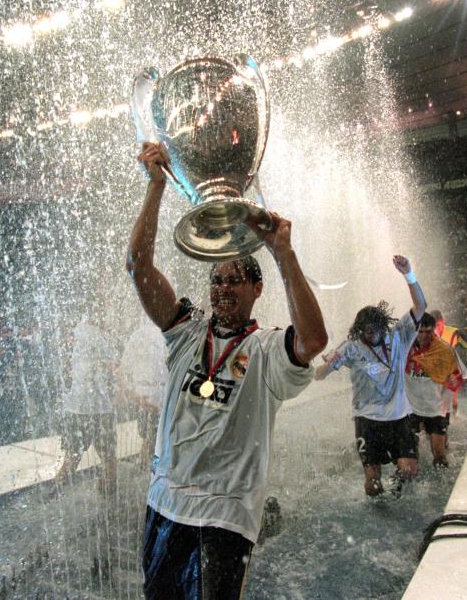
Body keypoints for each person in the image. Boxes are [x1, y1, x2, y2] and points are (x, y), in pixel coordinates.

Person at [127, 142, 328, 599]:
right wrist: (156, 188)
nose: (222, 290)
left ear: (257, 288)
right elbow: (138, 267)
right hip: (165, 503)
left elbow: (313, 341)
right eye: (216, 280)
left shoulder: (265, 350)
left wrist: (283, 254)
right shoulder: (186, 333)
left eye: (233, 280)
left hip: (226, 517)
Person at [315, 256, 427, 496]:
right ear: (360, 330)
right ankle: (379, 504)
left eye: (375, 329)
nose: (372, 334)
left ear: (383, 326)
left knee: (409, 471)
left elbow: (420, 307)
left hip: (399, 417)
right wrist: (325, 365)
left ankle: (396, 490)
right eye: (366, 330)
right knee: (373, 484)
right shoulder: (351, 347)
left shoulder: (399, 337)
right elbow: (319, 376)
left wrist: (409, 274)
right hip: (367, 420)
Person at [55, 313, 119, 496]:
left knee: (71, 460)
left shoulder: (76, 333)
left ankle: (52, 497)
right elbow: (112, 368)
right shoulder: (98, 336)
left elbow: (69, 367)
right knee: (109, 460)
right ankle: (110, 504)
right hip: (99, 409)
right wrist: (123, 388)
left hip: (75, 407)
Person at [405, 313, 467, 467]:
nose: (424, 336)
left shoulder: (445, 350)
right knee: (410, 455)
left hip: (437, 409)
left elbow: (460, 378)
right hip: (412, 408)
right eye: (420, 331)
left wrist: (453, 381)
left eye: (429, 332)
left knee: (439, 454)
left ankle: (443, 483)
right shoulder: (405, 350)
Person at [119, 315, 170, 472]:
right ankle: (149, 469)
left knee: (149, 435)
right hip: (162, 392)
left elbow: (125, 367)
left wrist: (131, 392)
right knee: (155, 436)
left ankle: (144, 466)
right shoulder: (168, 333)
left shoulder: (137, 335)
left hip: (143, 392)